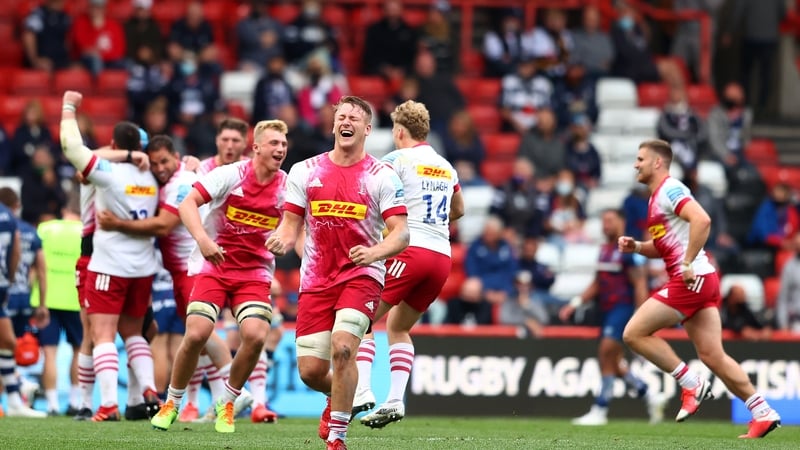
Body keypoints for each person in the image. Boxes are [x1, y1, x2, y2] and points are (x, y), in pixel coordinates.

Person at [266, 96, 409, 450]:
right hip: (316, 279)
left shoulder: (381, 175)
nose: (346, 122)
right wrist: (281, 240)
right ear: (333, 125)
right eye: (341, 116)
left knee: (343, 348)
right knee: (311, 371)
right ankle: (338, 396)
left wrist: (374, 252)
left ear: (366, 129)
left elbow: (402, 233)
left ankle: (338, 438)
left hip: (362, 275)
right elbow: (290, 226)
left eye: (354, 118)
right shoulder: (305, 170)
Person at [619, 139, 780, 438]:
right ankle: (763, 412)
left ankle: (690, 382)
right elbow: (667, 245)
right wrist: (639, 247)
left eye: (640, 158)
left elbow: (702, 219)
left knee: (633, 333)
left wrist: (688, 261)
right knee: (713, 355)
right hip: (702, 280)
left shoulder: (670, 188)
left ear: (657, 162)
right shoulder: (657, 198)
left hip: (692, 279)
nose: (635, 164)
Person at [150, 119, 289, 433]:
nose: (280, 149)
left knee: (255, 335)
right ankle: (172, 402)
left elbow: (296, 224)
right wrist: (203, 240)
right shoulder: (231, 175)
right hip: (215, 264)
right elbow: (187, 205)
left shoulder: (287, 185)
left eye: (283, 144)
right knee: (197, 333)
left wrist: (286, 239)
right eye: (273, 143)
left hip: (253, 271)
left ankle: (226, 402)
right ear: (256, 148)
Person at [96, 134, 239, 422]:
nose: (160, 167)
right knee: (190, 335)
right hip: (171, 269)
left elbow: (164, 225)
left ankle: (232, 392)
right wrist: (127, 156)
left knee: (196, 332)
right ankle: (211, 399)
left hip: (193, 268)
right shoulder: (162, 179)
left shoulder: (182, 180)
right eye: (155, 162)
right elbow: (88, 158)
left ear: (176, 157)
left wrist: (117, 224)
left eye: (165, 161)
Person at [352, 100, 464, 429]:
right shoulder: (445, 166)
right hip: (441, 257)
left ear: (399, 131)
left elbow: (370, 199)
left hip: (409, 251)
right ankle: (396, 400)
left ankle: (362, 390)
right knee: (398, 327)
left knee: (359, 319)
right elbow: (458, 209)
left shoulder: (396, 159)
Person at [60, 91, 160, 422]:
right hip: (143, 261)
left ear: (115, 144)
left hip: (98, 257)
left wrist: (68, 108)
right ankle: (134, 395)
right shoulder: (153, 175)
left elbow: (80, 160)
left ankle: (97, 402)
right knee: (137, 332)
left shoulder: (105, 169)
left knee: (95, 334)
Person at [559, 208, 664, 425]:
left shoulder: (629, 249)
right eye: (603, 221)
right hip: (606, 311)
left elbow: (640, 283)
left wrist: (640, 316)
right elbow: (597, 283)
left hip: (623, 309)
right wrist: (575, 303)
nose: (605, 225)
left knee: (605, 352)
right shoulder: (605, 250)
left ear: (621, 222)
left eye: (610, 220)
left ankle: (600, 408)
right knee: (613, 363)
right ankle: (650, 395)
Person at [30, 198, 85, 416]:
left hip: (46, 299)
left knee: (49, 353)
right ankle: (74, 401)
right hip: (76, 298)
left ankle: (52, 404)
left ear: (64, 210)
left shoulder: (45, 229)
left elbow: (35, 265)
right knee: (79, 350)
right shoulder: (86, 231)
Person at [0, 188, 50, 413]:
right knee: (10, 343)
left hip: (8, 293)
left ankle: (13, 397)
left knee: (8, 343)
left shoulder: (10, 222)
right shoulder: (22, 226)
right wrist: (41, 302)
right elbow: (38, 268)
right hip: (17, 294)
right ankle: (17, 391)